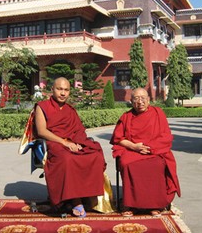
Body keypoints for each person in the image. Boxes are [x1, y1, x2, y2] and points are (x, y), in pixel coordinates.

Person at [34, 77, 106, 217]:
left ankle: (88, 196)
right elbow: (42, 131)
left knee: (95, 153)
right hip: (54, 142)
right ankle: (76, 201)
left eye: (66, 90)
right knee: (67, 159)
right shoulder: (42, 107)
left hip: (72, 141)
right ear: (52, 90)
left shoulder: (70, 110)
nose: (63, 93)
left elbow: (79, 131)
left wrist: (79, 142)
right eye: (59, 89)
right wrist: (64, 142)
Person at [110, 88, 181, 217]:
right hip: (133, 149)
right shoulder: (127, 117)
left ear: (149, 100)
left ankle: (154, 205)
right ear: (131, 101)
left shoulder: (158, 113)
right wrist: (134, 147)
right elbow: (118, 139)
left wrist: (149, 148)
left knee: (157, 164)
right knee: (126, 163)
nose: (140, 101)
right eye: (136, 98)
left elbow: (166, 136)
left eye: (143, 98)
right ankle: (131, 205)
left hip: (153, 150)